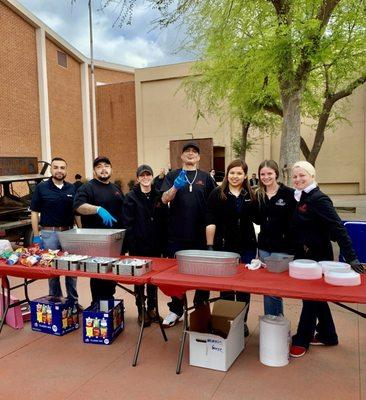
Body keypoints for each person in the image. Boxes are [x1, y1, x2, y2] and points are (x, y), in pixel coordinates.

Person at [289, 161, 365, 358]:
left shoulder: (319, 199)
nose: (298, 179)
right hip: (304, 257)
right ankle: (328, 334)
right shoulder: (300, 197)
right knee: (317, 297)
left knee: (311, 298)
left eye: (302, 175)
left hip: (318, 258)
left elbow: (338, 228)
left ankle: (302, 339)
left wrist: (352, 258)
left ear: (312, 176)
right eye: (295, 176)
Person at [161, 141, 216, 327]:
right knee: (176, 276)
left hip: (200, 235)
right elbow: (163, 198)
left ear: (199, 157)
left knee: (202, 276)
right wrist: (175, 187)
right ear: (182, 156)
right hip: (176, 234)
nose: (191, 154)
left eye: (194, 152)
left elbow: (214, 203)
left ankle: (200, 307)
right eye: (187, 151)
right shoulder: (172, 175)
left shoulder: (206, 177)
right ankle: (176, 310)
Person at [206, 159, 257, 337]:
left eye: (239, 173)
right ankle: (226, 321)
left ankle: (241, 322)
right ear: (227, 174)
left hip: (247, 246)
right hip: (224, 246)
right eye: (232, 172)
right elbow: (210, 221)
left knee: (244, 288)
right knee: (226, 287)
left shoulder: (251, 194)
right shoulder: (217, 193)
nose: (235, 176)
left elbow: (259, 218)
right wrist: (210, 246)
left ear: (245, 175)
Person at [74, 156, 125, 304]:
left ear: (111, 169)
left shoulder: (116, 188)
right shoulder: (87, 187)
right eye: (99, 166)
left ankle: (108, 303)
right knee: (98, 276)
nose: (103, 169)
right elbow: (78, 206)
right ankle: (97, 305)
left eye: (106, 166)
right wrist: (98, 209)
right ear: (95, 170)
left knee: (111, 276)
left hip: (115, 242)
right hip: (96, 243)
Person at [30, 157, 80, 305]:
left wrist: (82, 231)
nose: (59, 170)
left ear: (66, 170)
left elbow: (77, 212)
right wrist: (37, 236)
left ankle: (73, 302)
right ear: (51, 169)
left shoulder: (72, 188)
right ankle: (56, 302)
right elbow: (34, 212)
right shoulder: (42, 188)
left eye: (62, 168)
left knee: (71, 270)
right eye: (56, 167)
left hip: (69, 233)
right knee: (52, 270)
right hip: (49, 234)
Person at [123, 164, 166, 327]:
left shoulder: (158, 195)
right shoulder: (131, 197)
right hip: (138, 247)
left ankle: (153, 309)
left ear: (152, 176)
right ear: (138, 177)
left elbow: (164, 219)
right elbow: (128, 223)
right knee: (140, 280)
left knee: (153, 280)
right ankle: (141, 309)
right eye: (142, 175)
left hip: (155, 245)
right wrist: (131, 245)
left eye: (148, 175)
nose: (146, 178)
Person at [253, 160, 296, 316]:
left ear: (276, 174)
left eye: (269, 173)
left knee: (274, 288)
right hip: (264, 246)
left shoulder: (289, 194)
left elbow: (295, 220)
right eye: (262, 174)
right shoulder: (258, 194)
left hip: (282, 248)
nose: (266, 177)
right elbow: (257, 219)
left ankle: (276, 321)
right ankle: (271, 322)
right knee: (267, 287)